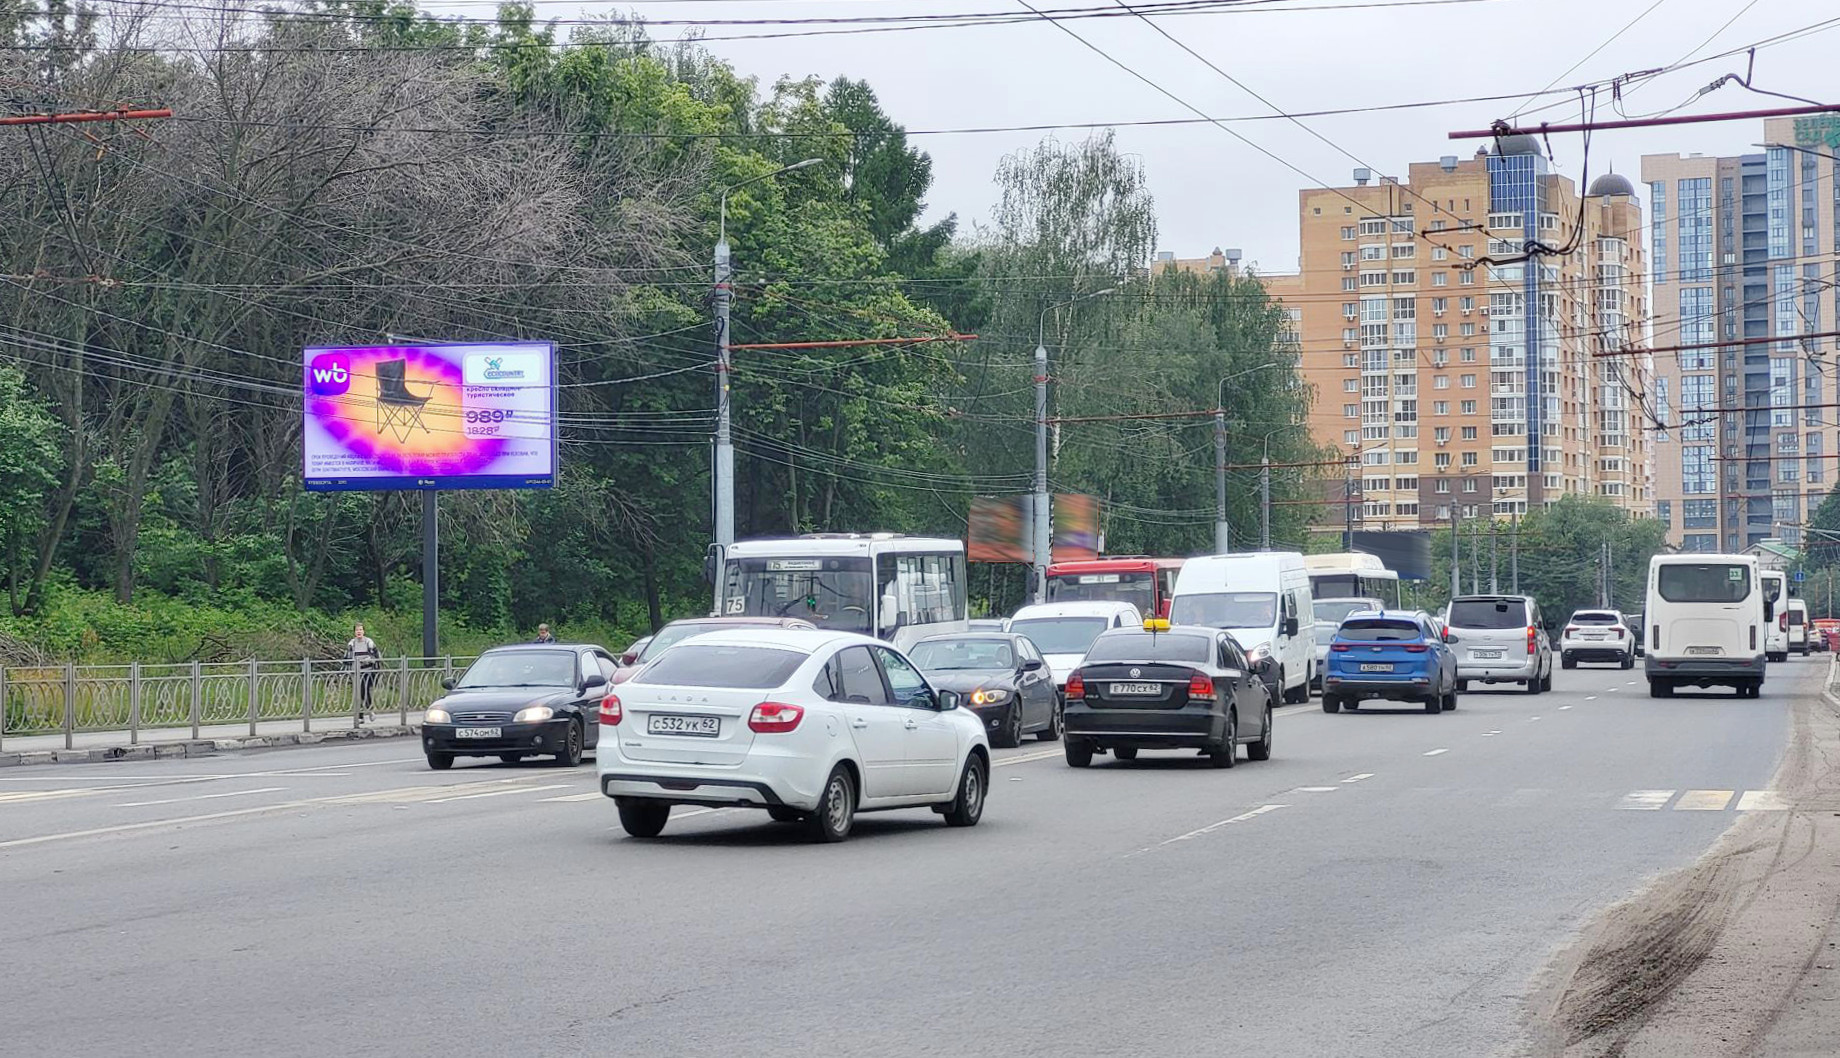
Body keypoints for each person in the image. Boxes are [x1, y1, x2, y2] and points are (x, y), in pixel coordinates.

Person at [347, 623, 381, 722]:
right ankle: (362, 715)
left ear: (364, 631)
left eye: (361, 630)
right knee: (358, 692)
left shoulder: (369, 642)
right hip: (357, 671)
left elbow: (376, 656)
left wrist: (367, 660)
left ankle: (369, 711)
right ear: (354, 632)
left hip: (368, 670)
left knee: (364, 690)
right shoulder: (352, 643)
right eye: (357, 630)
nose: (359, 632)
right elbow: (348, 657)